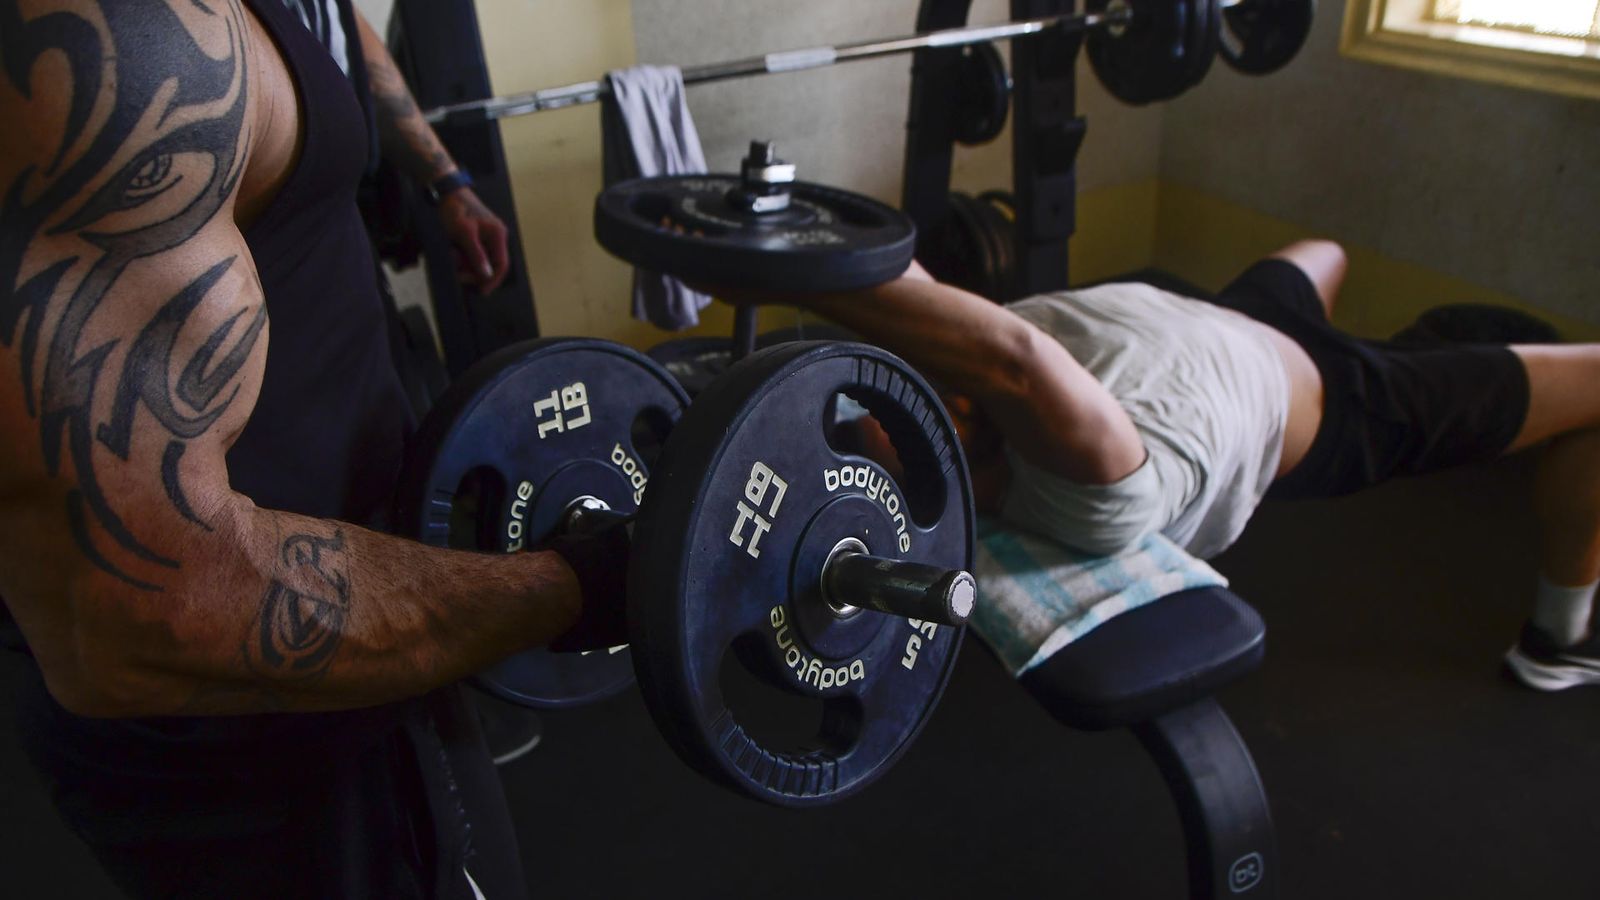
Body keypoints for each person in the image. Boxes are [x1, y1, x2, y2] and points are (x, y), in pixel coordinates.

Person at [0, 1, 621, 897]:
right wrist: (574, 587)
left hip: (375, 608)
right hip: (254, 722)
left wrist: (442, 178)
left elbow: (337, 28)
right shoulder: (123, 39)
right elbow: (142, 610)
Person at [726, 241, 1600, 692]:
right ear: (931, 478)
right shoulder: (1090, 486)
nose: (889, 408)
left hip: (1228, 312)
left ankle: (1391, 336)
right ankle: (1558, 643)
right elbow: (1018, 359)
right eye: (884, 432)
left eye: (872, 408)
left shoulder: (957, 398)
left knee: (1324, 249)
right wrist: (779, 269)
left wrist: (770, 243)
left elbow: (900, 281)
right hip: (1349, 396)